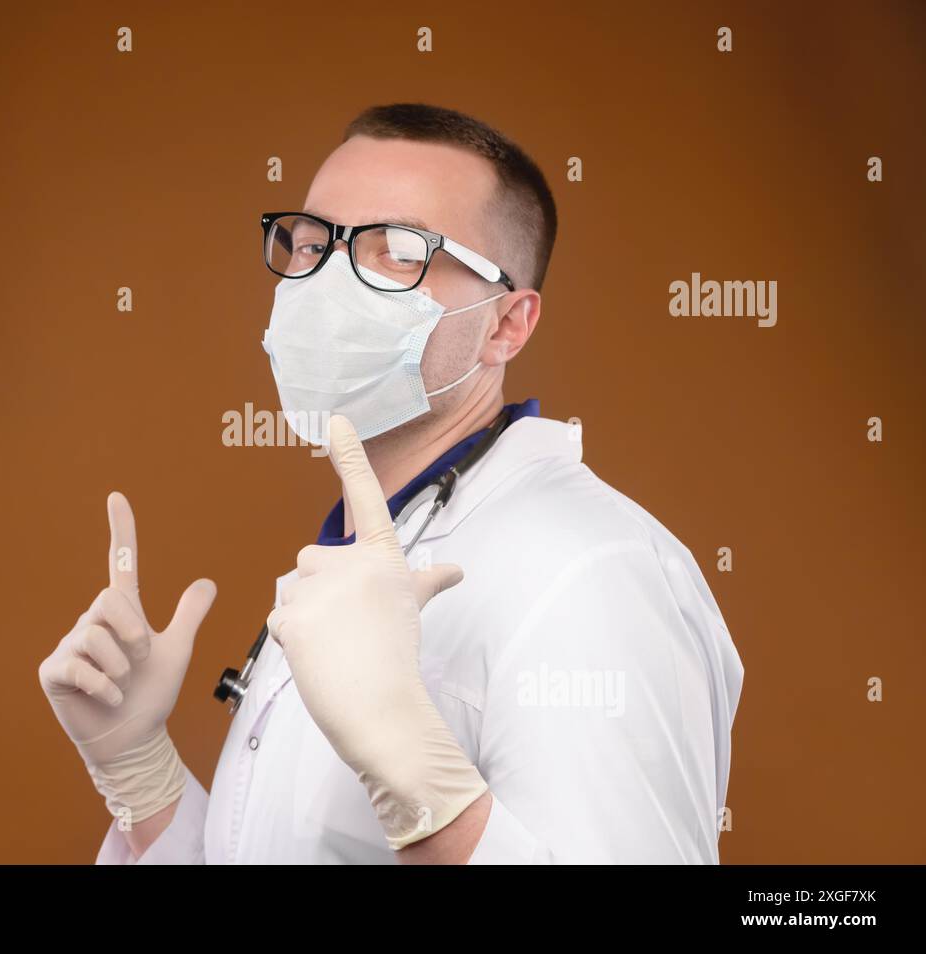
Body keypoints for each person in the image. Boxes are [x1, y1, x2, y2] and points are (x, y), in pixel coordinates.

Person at [38, 103, 744, 864]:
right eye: (311, 242)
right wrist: (141, 774)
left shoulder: (591, 571)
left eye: (398, 250)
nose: (327, 278)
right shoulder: (365, 549)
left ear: (507, 323)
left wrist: (425, 792)